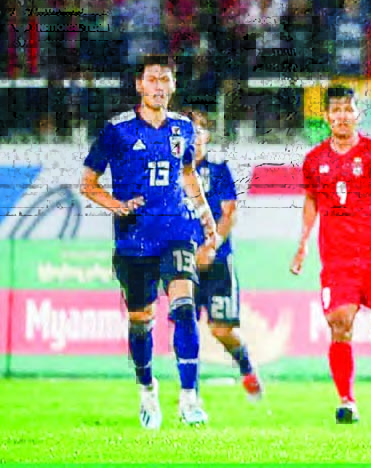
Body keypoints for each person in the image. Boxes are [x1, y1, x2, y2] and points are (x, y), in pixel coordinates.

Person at [80, 54, 216, 429]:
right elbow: (88, 183)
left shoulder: (183, 127)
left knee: (184, 307)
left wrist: (205, 215)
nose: (159, 86)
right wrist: (117, 205)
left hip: (177, 231)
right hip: (134, 239)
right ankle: (147, 390)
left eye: (165, 79)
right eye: (152, 79)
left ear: (173, 86)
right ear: (139, 85)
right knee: (141, 320)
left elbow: (188, 174)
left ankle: (189, 398)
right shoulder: (117, 130)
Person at [290, 86, 371, 424]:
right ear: (327, 116)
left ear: (358, 115)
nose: (342, 116)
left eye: (348, 110)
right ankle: (347, 400)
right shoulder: (315, 160)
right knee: (339, 324)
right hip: (338, 261)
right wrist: (303, 243)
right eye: (336, 110)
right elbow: (312, 201)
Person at [184, 108, 264, 400]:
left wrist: (211, 247)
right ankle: (189, 393)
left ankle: (247, 368)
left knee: (221, 330)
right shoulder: (171, 173)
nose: (194, 138)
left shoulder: (218, 170)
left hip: (217, 261)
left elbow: (229, 213)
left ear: (206, 136)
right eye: (188, 133)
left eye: (198, 132)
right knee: (185, 327)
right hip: (183, 262)